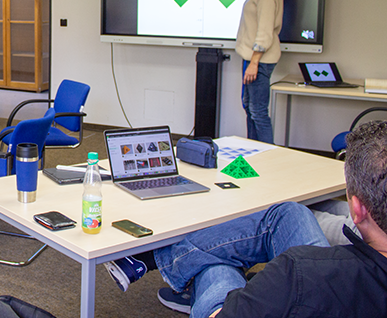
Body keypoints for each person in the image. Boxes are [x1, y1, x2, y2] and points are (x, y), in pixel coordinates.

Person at [105, 120, 387, 318]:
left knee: (217, 267)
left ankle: (154, 258)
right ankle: (152, 260)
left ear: (357, 209)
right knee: (289, 212)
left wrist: (257, 291)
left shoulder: (298, 273)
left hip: (309, 291)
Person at [226, 0, 283, 144]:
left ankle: (265, 154)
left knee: (257, 111)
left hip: (259, 59)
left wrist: (254, 62)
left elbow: (265, 29)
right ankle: (253, 148)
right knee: (250, 107)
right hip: (256, 58)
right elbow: (260, 4)